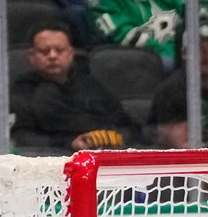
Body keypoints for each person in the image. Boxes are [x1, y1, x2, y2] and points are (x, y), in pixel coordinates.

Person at [11, 23, 139, 150]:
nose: (52, 56)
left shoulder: (91, 86)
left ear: (71, 54)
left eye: (59, 50)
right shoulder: (21, 91)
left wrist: (115, 137)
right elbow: (22, 138)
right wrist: (70, 143)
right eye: (45, 51)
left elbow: (128, 126)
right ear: (31, 56)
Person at [147, 24, 208, 147]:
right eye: (199, 49)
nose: (207, 55)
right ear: (184, 53)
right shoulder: (170, 91)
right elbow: (173, 144)